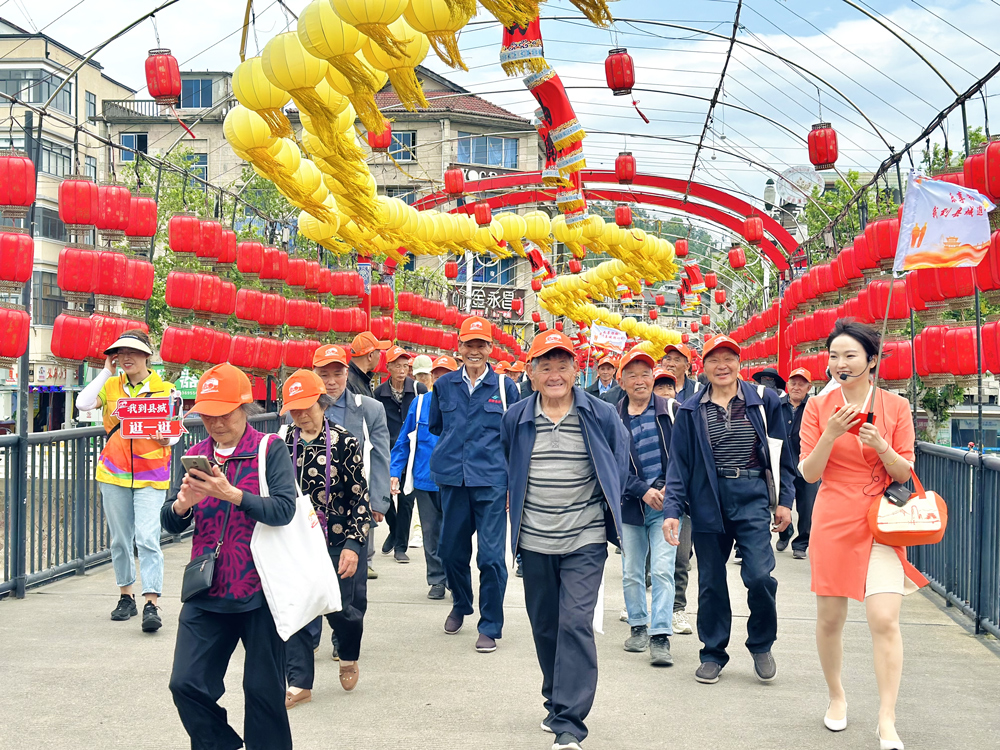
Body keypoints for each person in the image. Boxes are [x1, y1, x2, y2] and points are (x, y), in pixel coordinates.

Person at [799, 320, 926, 748]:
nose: (840, 363)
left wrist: (882, 446)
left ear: (871, 360)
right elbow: (810, 473)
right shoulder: (818, 407)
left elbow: (904, 472)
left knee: (884, 618)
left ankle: (886, 718)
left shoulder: (896, 407)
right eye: (833, 356)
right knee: (830, 618)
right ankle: (837, 696)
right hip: (834, 515)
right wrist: (832, 433)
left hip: (880, 518)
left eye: (850, 355)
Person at [502, 331, 628, 750]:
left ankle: (570, 724)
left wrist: (604, 511)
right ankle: (556, 697)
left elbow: (617, 464)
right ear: (532, 374)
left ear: (577, 370)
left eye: (562, 366)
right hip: (535, 539)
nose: (554, 375)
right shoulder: (516, 418)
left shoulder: (601, 414)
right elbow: (511, 466)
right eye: (545, 367)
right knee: (545, 626)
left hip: (585, 538)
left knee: (575, 622)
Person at [162, 363, 296, 750]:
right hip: (207, 586)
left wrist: (234, 495)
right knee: (185, 682)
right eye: (207, 414)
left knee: (264, 693)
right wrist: (183, 505)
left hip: (259, 588)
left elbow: (284, 510)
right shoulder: (195, 454)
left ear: (245, 407)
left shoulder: (268, 449)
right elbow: (170, 521)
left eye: (224, 414)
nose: (215, 423)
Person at [662, 334, 795, 685]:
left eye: (729, 359)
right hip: (707, 497)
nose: (722, 366)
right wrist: (672, 510)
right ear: (702, 367)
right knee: (711, 582)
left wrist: (785, 502)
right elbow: (678, 465)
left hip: (751, 495)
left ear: (740, 363)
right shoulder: (690, 409)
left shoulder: (765, 401)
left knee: (759, 576)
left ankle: (761, 643)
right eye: (714, 360)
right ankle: (712, 653)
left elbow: (784, 456)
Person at [428, 316, 521, 653]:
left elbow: (514, 437)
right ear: (459, 347)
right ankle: (461, 604)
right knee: (450, 551)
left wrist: (510, 482)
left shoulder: (505, 388)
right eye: (469, 344)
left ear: (490, 349)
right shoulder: (443, 386)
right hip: (453, 479)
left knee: (492, 557)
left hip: (492, 482)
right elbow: (437, 426)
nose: (475, 351)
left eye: (481, 345)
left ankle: (490, 626)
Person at [75, 329, 178, 632]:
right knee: (120, 540)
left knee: (147, 538)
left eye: (133, 352)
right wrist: (105, 371)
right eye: (120, 353)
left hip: (151, 475)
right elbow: (83, 403)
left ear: (148, 355)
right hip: (114, 473)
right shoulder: (111, 386)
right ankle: (126, 596)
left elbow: (173, 431)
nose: (126, 357)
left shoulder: (165, 389)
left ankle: (151, 602)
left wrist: (165, 438)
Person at [280, 370, 370, 708]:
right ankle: (299, 682)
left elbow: (359, 497)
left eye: (307, 407)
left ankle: (348, 651)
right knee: (299, 608)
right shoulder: (281, 441)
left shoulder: (344, 441)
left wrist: (353, 545)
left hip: (334, 538)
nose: (301, 415)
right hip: (295, 539)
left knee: (337, 607)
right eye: (295, 409)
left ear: (322, 402)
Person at [616, 349, 678, 667]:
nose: (639, 380)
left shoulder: (670, 410)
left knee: (664, 570)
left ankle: (660, 635)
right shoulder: (612, 417)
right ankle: (638, 626)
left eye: (645, 373)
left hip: (667, 507)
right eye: (632, 374)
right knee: (631, 571)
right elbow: (610, 465)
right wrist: (642, 491)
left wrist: (669, 487)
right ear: (621, 380)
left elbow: (685, 454)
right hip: (630, 505)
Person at [313, 343, 390, 584]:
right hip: (310, 509)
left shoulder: (371, 409)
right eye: (323, 375)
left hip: (353, 505)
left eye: (337, 373)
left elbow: (380, 456)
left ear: (347, 372)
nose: (331, 381)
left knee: (351, 588)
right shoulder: (299, 410)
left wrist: (378, 502)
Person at [390, 355, 456, 600]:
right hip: (424, 479)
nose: (439, 380)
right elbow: (403, 441)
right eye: (436, 376)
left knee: (454, 531)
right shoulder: (419, 405)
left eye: (445, 375)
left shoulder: (464, 404)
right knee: (430, 531)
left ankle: (454, 575)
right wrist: (395, 472)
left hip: (454, 480)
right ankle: (437, 579)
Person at [659, 345, 699, 636]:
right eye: (667, 359)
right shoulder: (647, 394)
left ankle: (676, 608)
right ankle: (649, 603)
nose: (671, 363)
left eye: (677, 359)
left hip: (687, 488)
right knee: (651, 554)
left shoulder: (698, 393)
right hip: (653, 487)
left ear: (688, 364)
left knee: (680, 554)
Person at [374, 346, 427, 563]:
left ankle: (400, 547)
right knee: (384, 497)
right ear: (388, 367)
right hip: (385, 452)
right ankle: (394, 529)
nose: (402, 369)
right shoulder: (379, 393)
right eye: (397, 365)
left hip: (410, 452)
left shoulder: (418, 389)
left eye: (405, 365)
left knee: (406, 501)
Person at [777, 367, 817, 559]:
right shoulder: (777, 405)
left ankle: (801, 542)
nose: (797, 387)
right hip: (782, 464)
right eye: (793, 382)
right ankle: (785, 532)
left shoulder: (814, 407)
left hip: (807, 464)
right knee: (779, 502)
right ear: (787, 385)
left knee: (807, 506)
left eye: (802, 384)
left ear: (809, 387)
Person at [348, 331, 390, 397]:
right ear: (370, 356)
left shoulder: (362, 379)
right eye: (378, 352)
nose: (380, 356)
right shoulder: (349, 383)